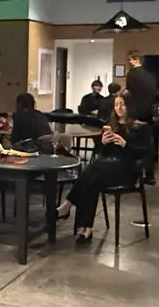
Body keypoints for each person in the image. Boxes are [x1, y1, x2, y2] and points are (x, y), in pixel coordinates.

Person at [56, 92, 151, 244]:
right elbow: (104, 154)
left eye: (122, 104)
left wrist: (125, 144)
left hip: (128, 170)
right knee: (93, 181)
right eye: (116, 104)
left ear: (130, 106)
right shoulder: (112, 125)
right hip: (108, 168)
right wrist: (104, 143)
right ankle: (85, 228)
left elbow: (146, 154)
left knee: (92, 171)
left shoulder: (141, 127)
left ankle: (68, 205)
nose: (119, 108)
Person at [121, 50, 159, 122]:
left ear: (136, 59)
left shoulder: (131, 73)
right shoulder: (150, 73)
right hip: (149, 110)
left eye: (130, 59)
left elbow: (128, 91)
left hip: (136, 110)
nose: (129, 62)